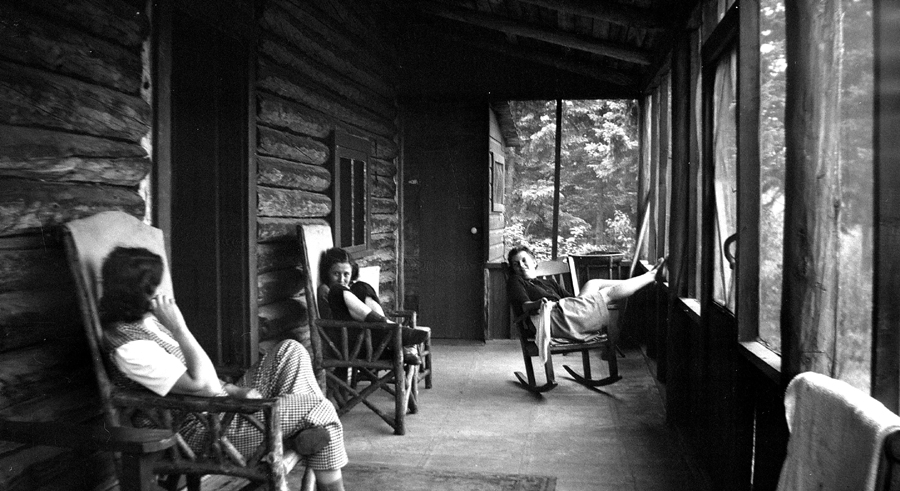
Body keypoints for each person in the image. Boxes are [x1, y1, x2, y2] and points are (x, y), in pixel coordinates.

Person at [99, 246, 347, 491]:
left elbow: (196, 376)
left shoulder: (148, 321)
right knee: (321, 410)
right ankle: (315, 441)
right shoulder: (129, 348)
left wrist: (233, 390)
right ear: (139, 293)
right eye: (157, 285)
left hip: (217, 410)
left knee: (290, 351)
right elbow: (203, 384)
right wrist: (179, 328)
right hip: (197, 431)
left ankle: (310, 434)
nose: (165, 291)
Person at [507, 245, 665, 342]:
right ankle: (650, 277)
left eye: (524, 260)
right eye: (516, 264)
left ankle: (645, 278)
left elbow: (572, 299)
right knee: (607, 294)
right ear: (513, 269)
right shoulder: (516, 281)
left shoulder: (548, 282)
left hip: (567, 314)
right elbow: (525, 306)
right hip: (550, 319)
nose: (521, 265)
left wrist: (586, 302)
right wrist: (539, 303)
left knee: (593, 283)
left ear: (534, 262)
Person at [318, 247, 429, 364]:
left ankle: (391, 331)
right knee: (337, 289)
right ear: (327, 273)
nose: (341, 279)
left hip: (368, 340)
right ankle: (397, 331)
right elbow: (330, 326)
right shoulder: (325, 290)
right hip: (346, 345)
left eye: (346, 274)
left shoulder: (351, 289)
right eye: (336, 274)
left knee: (361, 287)